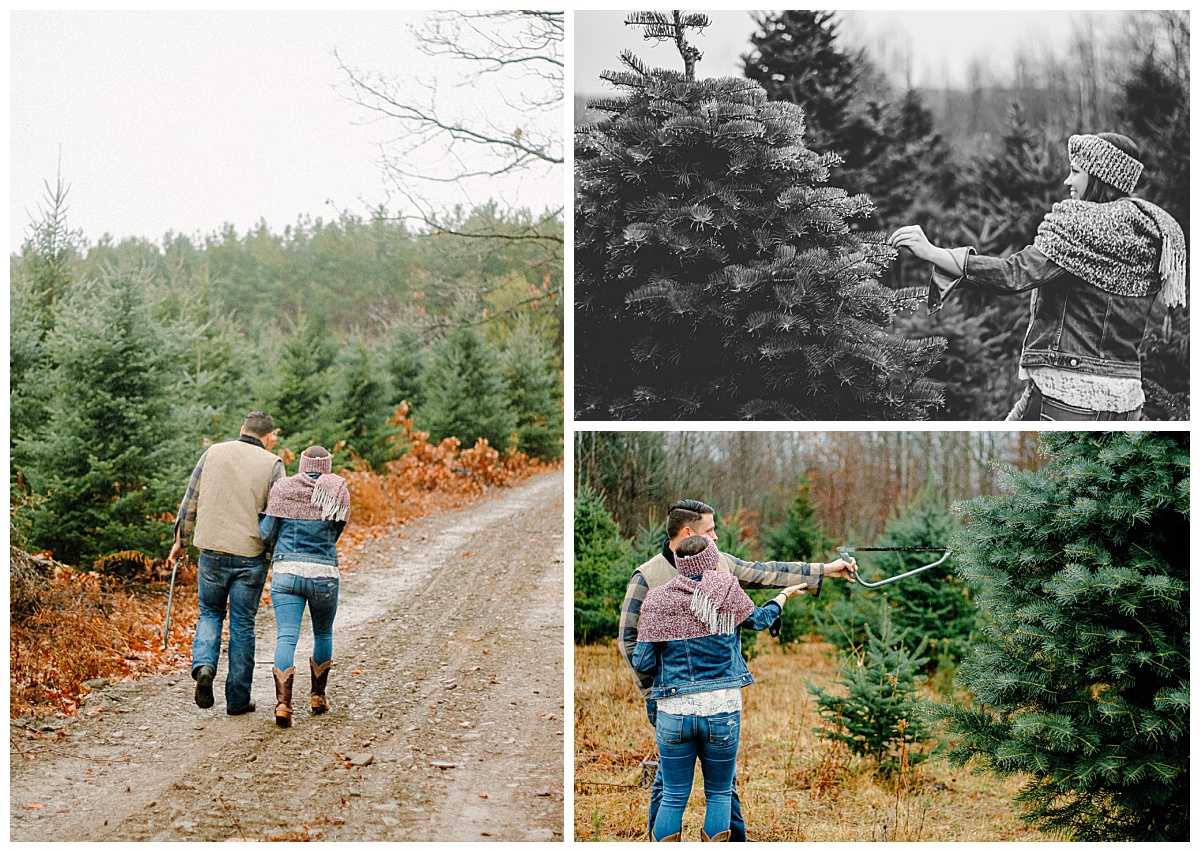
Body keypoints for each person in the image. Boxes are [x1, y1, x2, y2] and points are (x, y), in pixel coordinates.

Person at [890, 132, 1186, 421]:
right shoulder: (1153, 232)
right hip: (1126, 401)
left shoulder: (1079, 226)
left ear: (1100, 175)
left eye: (1076, 171)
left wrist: (932, 252)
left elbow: (1012, 275)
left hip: (1067, 395)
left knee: (1010, 468)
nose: (1068, 181)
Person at [618, 499, 857, 841]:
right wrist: (652, 694)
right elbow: (628, 640)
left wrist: (826, 569)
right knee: (670, 787)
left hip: (686, 707)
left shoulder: (724, 567)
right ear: (689, 532)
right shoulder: (649, 577)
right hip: (683, 700)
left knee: (718, 786)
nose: (716, 537)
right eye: (711, 530)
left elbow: (767, 571)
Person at [633, 535, 810, 842]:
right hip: (722, 711)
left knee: (674, 796)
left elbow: (643, 662)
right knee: (718, 794)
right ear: (711, 561)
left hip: (674, 713)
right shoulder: (728, 591)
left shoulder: (659, 600)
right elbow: (760, 620)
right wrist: (782, 597)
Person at [169, 411, 285, 714]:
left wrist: (180, 542)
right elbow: (277, 516)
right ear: (270, 436)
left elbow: (189, 501)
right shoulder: (273, 464)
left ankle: (205, 667)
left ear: (242, 429)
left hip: (211, 550)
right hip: (250, 554)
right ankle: (237, 700)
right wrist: (273, 554)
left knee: (209, 613)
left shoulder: (213, 453)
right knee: (243, 624)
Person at [258, 445, 350, 728]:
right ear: (327, 465)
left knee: (286, 637)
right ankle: (317, 697)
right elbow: (337, 529)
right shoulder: (338, 489)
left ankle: (283, 704)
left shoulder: (283, 488)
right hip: (324, 573)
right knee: (323, 633)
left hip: (287, 573)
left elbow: (267, 533)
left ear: (302, 463)